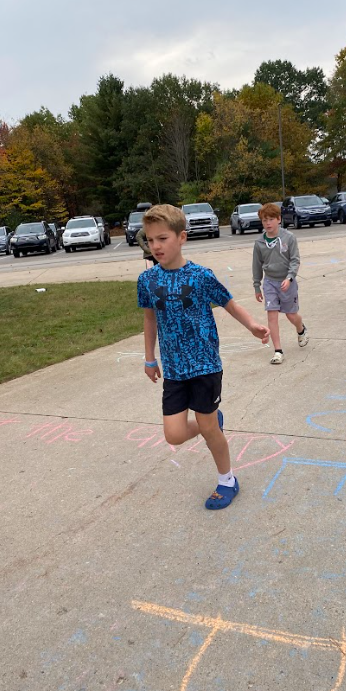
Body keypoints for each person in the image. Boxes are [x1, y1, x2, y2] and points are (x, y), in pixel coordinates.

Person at [138, 204, 270, 511]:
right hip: (173, 369)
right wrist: (149, 358)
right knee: (174, 434)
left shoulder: (200, 276)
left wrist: (252, 325)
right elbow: (149, 319)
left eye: (163, 238)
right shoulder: (147, 280)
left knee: (208, 427)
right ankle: (212, 423)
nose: (156, 246)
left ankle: (227, 480)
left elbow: (229, 304)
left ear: (181, 237)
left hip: (205, 365)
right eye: (151, 240)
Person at [253, 203, 309, 365]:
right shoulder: (259, 243)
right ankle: (278, 351)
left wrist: (290, 277)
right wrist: (257, 286)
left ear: (279, 219)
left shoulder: (289, 238)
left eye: (271, 219)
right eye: (264, 220)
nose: (268, 223)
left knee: (291, 315)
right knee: (272, 314)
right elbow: (256, 265)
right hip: (270, 282)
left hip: (287, 281)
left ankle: (301, 329)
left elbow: (295, 260)